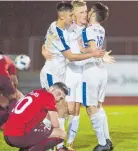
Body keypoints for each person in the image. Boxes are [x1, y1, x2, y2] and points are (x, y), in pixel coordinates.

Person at [40, 2, 105, 150]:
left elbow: (50, 41)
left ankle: (63, 143)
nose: (85, 15)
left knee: (72, 109)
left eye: (86, 12)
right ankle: (50, 142)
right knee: (58, 108)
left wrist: (99, 54)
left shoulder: (87, 29)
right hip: (62, 71)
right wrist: (43, 49)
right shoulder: (66, 28)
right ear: (72, 14)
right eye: (81, 12)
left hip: (75, 72)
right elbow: (67, 54)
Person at [79, 2, 115, 151]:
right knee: (99, 107)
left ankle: (102, 144)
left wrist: (81, 49)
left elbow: (93, 49)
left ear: (93, 14)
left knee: (90, 107)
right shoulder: (101, 29)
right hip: (101, 70)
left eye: (89, 11)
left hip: (91, 71)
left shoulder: (89, 30)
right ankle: (107, 140)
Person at [3, 82, 69, 151]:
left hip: (7, 133)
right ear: (51, 88)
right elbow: (56, 125)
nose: (58, 99)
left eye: (61, 98)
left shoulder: (35, 92)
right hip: (19, 135)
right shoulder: (49, 96)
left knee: (40, 132)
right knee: (61, 134)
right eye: (58, 94)